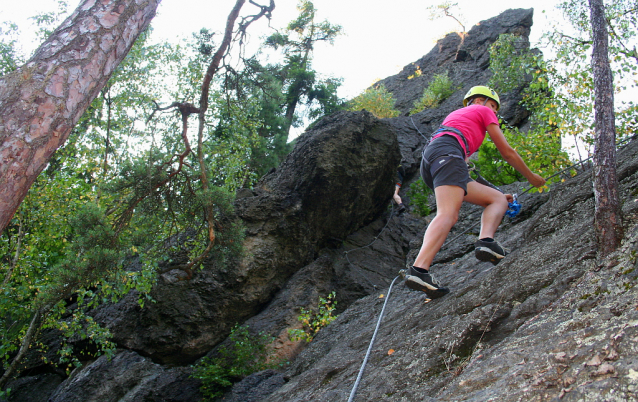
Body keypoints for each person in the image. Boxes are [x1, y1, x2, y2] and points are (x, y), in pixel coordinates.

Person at [405, 86, 546, 299]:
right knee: (447, 214)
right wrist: (532, 177)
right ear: (478, 100)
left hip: (435, 159)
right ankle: (420, 269)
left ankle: (485, 243)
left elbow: (465, 173)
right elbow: (507, 152)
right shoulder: (482, 111)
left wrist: (497, 191)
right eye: (493, 106)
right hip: (447, 154)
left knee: (497, 200)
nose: (495, 113)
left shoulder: (457, 119)